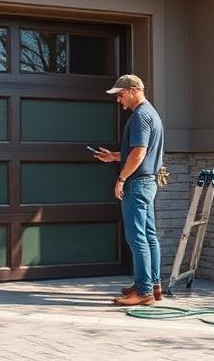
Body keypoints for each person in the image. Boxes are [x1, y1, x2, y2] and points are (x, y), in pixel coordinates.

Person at [94, 74, 163, 306]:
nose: (119, 99)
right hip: (148, 182)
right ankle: (153, 284)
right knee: (149, 235)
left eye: (121, 94)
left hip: (137, 184)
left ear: (133, 90)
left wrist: (121, 178)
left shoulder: (140, 116)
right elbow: (140, 152)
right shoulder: (151, 113)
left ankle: (143, 292)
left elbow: (139, 153)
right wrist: (114, 156)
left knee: (137, 238)